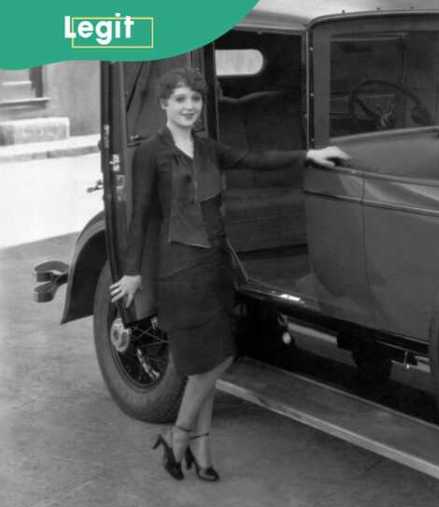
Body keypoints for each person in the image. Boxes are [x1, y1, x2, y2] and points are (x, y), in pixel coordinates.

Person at [109, 67, 349, 481]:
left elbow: (255, 160)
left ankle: (200, 452)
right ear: (164, 103)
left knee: (211, 359)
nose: (189, 107)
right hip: (179, 269)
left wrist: (307, 155)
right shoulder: (150, 152)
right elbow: (140, 217)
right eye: (180, 99)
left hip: (215, 266)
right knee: (215, 360)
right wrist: (131, 273)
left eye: (196, 100)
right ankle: (178, 437)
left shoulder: (207, 148)